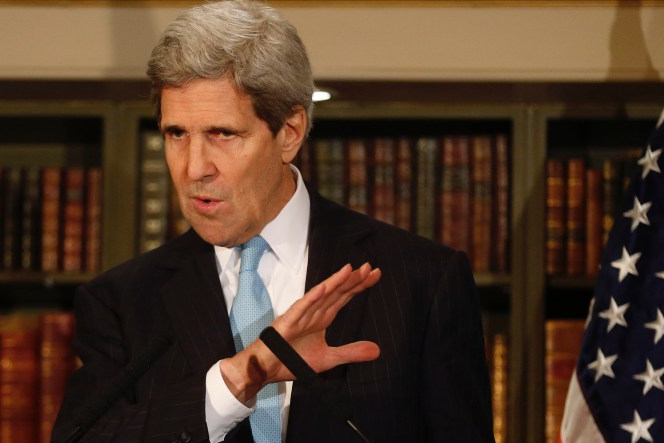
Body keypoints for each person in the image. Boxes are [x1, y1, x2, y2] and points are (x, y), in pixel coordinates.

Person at [52, 1, 494, 442]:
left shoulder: (422, 281)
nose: (193, 168)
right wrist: (239, 379)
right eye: (176, 134)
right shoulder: (123, 301)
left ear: (290, 133)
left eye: (222, 134)